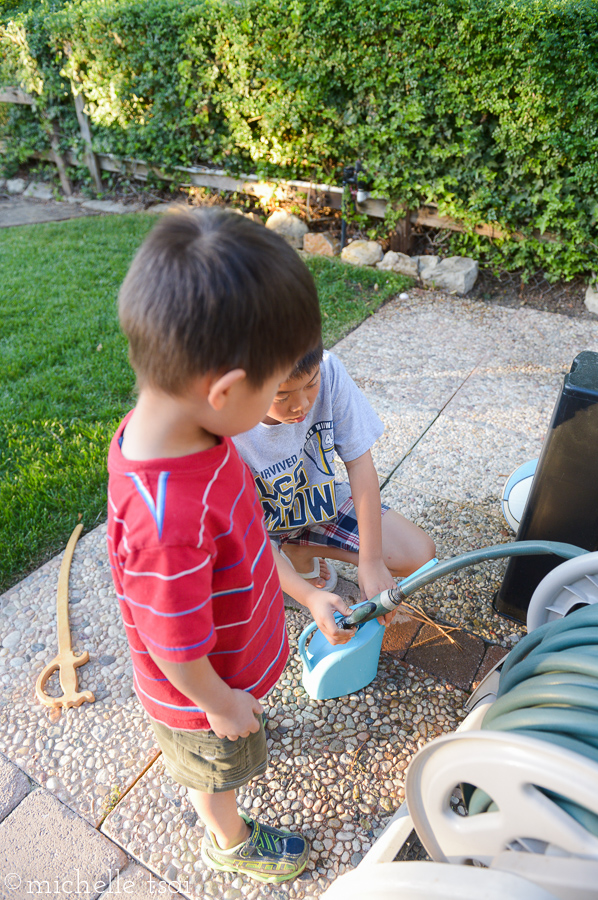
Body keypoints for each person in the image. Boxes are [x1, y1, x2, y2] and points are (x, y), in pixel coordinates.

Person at [106, 209, 355, 885]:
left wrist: (301, 592)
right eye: (274, 387)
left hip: (226, 669)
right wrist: (217, 703)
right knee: (219, 770)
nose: (284, 401)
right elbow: (173, 644)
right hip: (198, 698)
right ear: (222, 390)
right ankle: (229, 839)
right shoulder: (165, 521)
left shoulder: (193, 429)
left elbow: (242, 537)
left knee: (235, 735)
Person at [233, 342, 436, 608]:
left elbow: (360, 464)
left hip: (313, 502)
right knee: (233, 588)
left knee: (419, 553)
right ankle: (283, 562)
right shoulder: (225, 426)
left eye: (311, 384)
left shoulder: (328, 368)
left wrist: (371, 561)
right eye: (282, 397)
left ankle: (299, 549)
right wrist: (309, 597)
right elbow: (245, 533)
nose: (302, 405)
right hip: (255, 530)